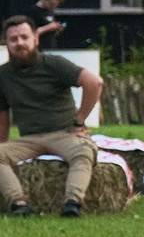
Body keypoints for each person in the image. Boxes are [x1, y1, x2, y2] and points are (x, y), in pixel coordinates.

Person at [0, 15, 103, 218]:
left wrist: (79, 120)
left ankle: (72, 203)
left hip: (64, 133)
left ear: (35, 39)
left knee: (83, 152)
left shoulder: (54, 64)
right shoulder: (2, 76)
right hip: (29, 139)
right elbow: (2, 117)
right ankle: (18, 205)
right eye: (14, 39)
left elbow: (94, 83)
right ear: (7, 44)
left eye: (24, 37)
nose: (19, 43)